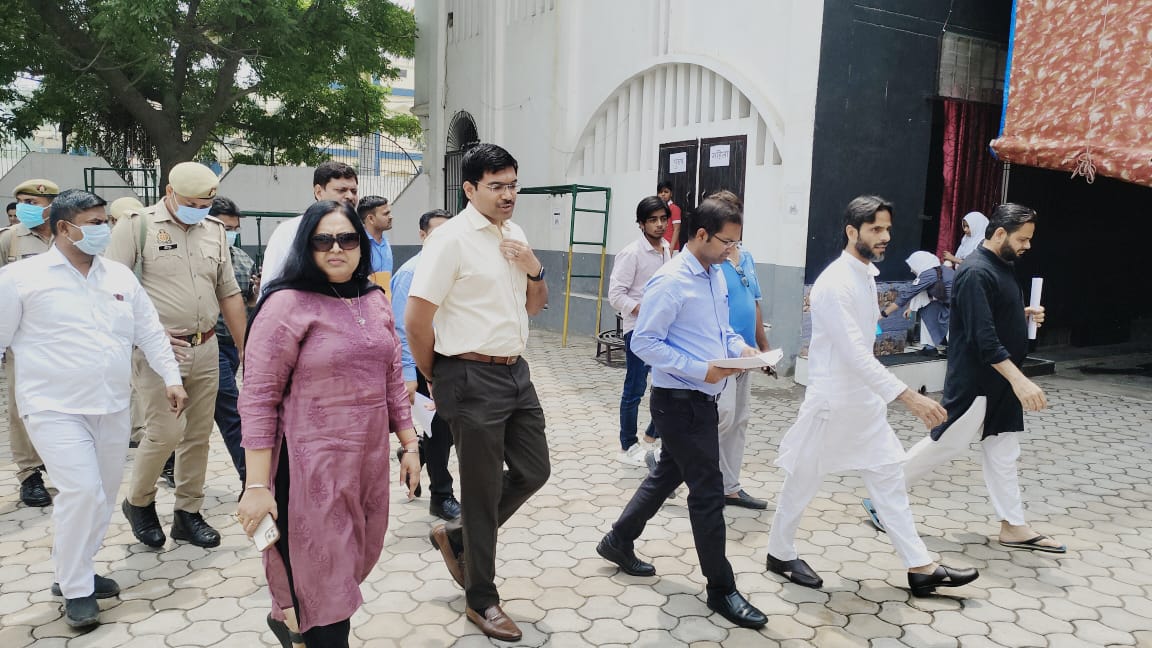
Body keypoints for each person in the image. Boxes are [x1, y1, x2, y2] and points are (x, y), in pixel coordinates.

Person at [766, 195, 979, 598]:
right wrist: (910, 397)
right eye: (876, 229)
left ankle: (920, 567)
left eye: (887, 229)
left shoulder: (864, 273)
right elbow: (855, 354)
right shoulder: (834, 284)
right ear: (852, 231)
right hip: (832, 402)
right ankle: (779, 552)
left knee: (889, 478)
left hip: (863, 403)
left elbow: (864, 345)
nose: (885, 237)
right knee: (803, 478)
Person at [0, 189, 187, 628]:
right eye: (96, 223)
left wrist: (172, 378)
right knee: (81, 491)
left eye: (106, 221)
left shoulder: (119, 277)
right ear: (65, 228)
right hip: (52, 407)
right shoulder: (20, 278)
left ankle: (75, 567)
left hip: (111, 405)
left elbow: (150, 331)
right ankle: (77, 589)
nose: (105, 229)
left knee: (100, 497)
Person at [237, 200, 420, 648]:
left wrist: (410, 444)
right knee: (325, 584)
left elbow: (392, 378)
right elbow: (258, 399)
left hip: (365, 466)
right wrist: (256, 486)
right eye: (323, 240)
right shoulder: (285, 305)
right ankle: (309, 627)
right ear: (307, 246)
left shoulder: (373, 299)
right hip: (307, 472)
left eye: (347, 238)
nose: (336, 248)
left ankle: (293, 623)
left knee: (350, 563)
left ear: (362, 244)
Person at [596, 197, 767, 629]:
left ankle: (618, 539)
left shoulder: (715, 275)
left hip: (702, 399)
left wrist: (742, 350)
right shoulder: (671, 281)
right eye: (726, 243)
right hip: (679, 403)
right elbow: (644, 342)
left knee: (666, 475)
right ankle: (721, 588)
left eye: (736, 243)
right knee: (707, 493)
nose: (732, 251)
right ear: (701, 234)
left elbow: (720, 330)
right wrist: (701, 369)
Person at [406, 143, 550, 642]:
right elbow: (417, 319)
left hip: (515, 372)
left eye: (513, 185)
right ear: (469, 189)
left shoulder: (515, 234)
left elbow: (535, 306)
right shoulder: (449, 241)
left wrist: (534, 267)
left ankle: (457, 534)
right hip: (467, 374)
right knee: (482, 491)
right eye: (496, 186)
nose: (508, 195)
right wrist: (436, 375)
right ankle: (481, 599)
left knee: (534, 470)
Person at [868, 204, 1064, 553]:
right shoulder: (975, 272)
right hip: (978, 381)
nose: (1028, 246)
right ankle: (882, 497)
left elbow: (988, 314)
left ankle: (1013, 525)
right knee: (947, 442)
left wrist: (1021, 314)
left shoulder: (999, 266)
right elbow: (982, 337)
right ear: (1000, 233)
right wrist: (1020, 381)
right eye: (1023, 239)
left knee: (1004, 450)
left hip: (999, 382)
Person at [106, 162, 247, 550]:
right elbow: (110, 292)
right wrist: (147, 334)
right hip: (158, 352)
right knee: (166, 431)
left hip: (206, 347)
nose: (199, 210)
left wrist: (246, 348)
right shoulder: (136, 226)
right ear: (170, 192)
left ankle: (188, 512)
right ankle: (139, 502)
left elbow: (229, 293)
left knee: (198, 435)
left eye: (205, 204)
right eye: (192, 203)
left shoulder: (214, 231)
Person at [391, 208, 461, 521]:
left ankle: (416, 451)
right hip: (422, 363)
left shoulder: (454, 268)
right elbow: (401, 328)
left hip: (453, 361)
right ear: (422, 235)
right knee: (439, 431)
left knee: (451, 427)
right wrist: (410, 374)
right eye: (436, 232)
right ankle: (441, 496)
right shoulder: (411, 273)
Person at [708, 190, 773, 510]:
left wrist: (764, 348)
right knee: (722, 417)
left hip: (746, 353)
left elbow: (754, 303)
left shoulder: (745, 257)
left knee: (739, 420)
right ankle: (671, 466)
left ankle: (729, 488)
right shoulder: (711, 261)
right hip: (721, 354)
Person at [0, 178, 61, 507]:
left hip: (64, 339)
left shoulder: (67, 235)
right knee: (20, 407)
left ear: (51, 205)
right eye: (22, 202)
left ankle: (59, 462)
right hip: (22, 341)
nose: (25, 208)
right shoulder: (9, 239)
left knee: (63, 403)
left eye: (33, 203)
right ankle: (29, 473)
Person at [608, 196, 670, 467]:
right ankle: (628, 445)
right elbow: (615, 294)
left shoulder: (666, 249)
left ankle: (652, 435)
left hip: (663, 329)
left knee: (669, 383)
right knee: (635, 387)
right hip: (638, 330)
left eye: (663, 219)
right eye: (653, 220)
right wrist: (642, 310)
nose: (659, 225)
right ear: (641, 224)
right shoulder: (631, 253)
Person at [260, 162, 359, 291]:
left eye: (354, 191)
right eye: (341, 190)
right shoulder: (290, 231)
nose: (350, 196)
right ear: (319, 192)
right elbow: (270, 285)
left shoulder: (358, 230)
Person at [881, 251, 955, 354]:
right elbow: (921, 293)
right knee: (928, 310)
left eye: (913, 266)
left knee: (944, 318)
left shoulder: (928, 275)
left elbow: (907, 295)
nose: (911, 270)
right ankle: (932, 347)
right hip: (950, 304)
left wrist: (884, 313)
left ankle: (949, 348)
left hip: (957, 307)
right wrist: (911, 308)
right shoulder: (939, 270)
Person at [358, 195, 394, 293]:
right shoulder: (358, 245)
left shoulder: (385, 242)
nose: (391, 217)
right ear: (371, 219)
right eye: (386, 214)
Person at [657, 181, 682, 252]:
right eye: (660, 192)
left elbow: (677, 229)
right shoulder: (657, 209)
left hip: (671, 248)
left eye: (666, 192)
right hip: (659, 247)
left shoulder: (674, 208)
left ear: (671, 194)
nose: (663, 194)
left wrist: (671, 249)